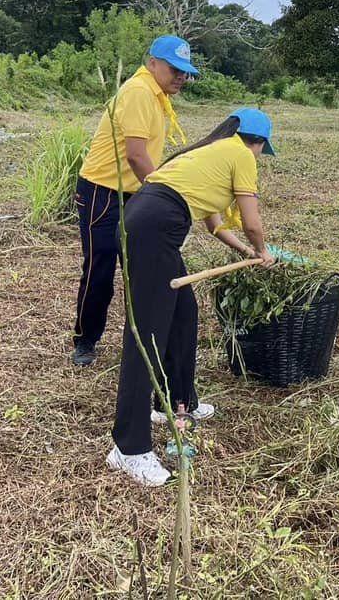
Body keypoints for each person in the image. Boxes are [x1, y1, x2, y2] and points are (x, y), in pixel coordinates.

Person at [108, 108, 277, 486]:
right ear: (259, 143)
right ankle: (128, 449)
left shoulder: (210, 153)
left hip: (147, 221)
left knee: (184, 313)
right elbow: (251, 222)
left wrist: (247, 254)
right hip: (154, 227)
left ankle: (176, 401)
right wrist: (263, 249)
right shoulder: (240, 156)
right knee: (147, 335)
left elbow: (216, 225)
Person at [71, 35, 197, 367]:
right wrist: (164, 199)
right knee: (100, 268)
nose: (181, 78)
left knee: (139, 268)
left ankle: (142, 338)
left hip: (134, 193)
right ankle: (86, 340)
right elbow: (137, 157)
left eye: (185, 72)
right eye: (175, 70)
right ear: (153, 62)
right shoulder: (140, 92)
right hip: (103, 192)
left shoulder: (157, 95)